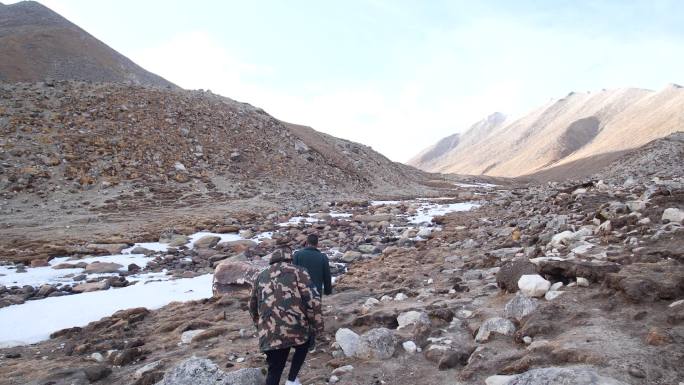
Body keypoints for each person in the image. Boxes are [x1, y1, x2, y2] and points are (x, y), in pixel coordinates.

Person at [249, 249, 323, 385]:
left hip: (269, 332)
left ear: (272, 260)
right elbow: (313, 301)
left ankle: (289, 380)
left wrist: (261, 327)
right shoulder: (299, 271)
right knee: (304, 343)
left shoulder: (260, 276)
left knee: (275, 370)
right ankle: (292, 380)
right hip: (297, 327)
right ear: (290, 259)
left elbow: (252, 307)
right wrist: (317, 326)